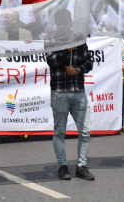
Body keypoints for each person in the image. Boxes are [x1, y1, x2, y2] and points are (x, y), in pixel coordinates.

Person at [45, 9, 95, 181]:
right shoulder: (51, 39)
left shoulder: (80, 38)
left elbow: (89, 62)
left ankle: (81, 166)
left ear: (70, 22)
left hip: (78, 91)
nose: (63, 25)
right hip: (60, 91)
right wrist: (67, 49)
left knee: (85, 131)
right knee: (60, 132)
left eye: (65, 22)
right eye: (59, 23)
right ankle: (62, 166)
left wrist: (78, 69)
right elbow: (52, 60)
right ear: (56, 24)